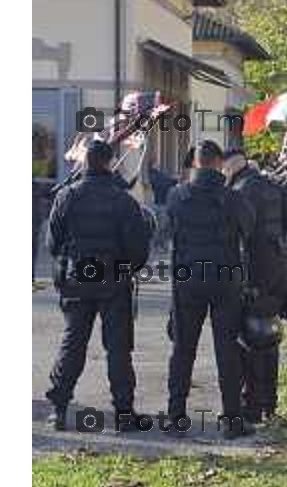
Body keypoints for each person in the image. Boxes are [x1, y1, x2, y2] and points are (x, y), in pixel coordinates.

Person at [45, 140, 150, 431]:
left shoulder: (67, 196)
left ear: (85, 162)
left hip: (76, 280)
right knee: (118, 349)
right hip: (113, 282)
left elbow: (52, 244)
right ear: (108, 162)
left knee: (73, 343)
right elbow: (139, 249)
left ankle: (58, 408)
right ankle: (124, 414)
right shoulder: (124, 200)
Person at [166, 140, 256, 439]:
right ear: (219, 164)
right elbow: (250, 230)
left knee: (182, 349)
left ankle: (176, 415)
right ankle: (232, 419)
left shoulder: (177, 195)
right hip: (225, 278)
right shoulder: (234, 198)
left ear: (195, 164)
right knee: (227, 349)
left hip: (188, 278)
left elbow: (168, 233)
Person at [223, 149, 287, 424]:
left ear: (230, 166)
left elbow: (233, 234)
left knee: (249, 338)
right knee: (270, 336)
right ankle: (270, 402)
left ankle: (253, 404)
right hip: (278, 270)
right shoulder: (271, 186)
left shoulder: (239, 191)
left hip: (252, 271)